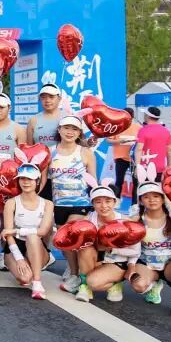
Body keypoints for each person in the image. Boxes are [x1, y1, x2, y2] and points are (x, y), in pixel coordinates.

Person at [129, 177, 171, 318]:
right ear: (141, 200)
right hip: (147, 263)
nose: (152, 200)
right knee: (139, 285)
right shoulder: (137, 218)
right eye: (146, 197)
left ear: (163, 199)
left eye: (156, 196)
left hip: (169, 266)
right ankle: (154, 284)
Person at [49, 115, 96, 294]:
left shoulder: (85, 152)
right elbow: (45, 180)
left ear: (79, 133)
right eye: (66, 128)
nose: (70, 132)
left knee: (70, 234)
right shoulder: (51, 151)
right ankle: (74, 270)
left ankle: (77, 276)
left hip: (80, 202)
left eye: (74, 129)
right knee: (63, 242)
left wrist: (95, 203)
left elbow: (93, 179)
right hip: (59, 203)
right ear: (59, 130)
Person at [74, 182, 141, 304]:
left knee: (93, 282)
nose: (103, 206)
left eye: (108, 201)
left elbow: (136, 252)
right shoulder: (88, 219)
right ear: (93, 204)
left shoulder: (126, 221)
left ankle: (115, 284)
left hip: (116, 262)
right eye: (98, 202)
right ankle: (84, 286)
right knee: (84, 249)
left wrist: (111, 249)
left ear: (115, 202)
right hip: (97, 260)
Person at [0, 164, 55, 299]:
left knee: (33, 237)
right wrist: (19, 258)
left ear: (37, 181)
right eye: (22, 178)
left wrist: (15, 230)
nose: (25, 182)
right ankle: (26, 266)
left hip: (36, 245)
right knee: (25, 278)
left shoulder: (48, 204)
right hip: (16, 246)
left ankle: (37, 283)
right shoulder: (11, 203)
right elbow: (8, 235)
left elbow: (42, 231)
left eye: (30, 179)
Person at [27, 83, 64, 200]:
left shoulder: (67, 117)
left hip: (63, 172)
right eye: (43, 97)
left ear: (59, 98)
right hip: (40, 172)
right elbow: (29, 148)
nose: (47, 100)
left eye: (51, 97)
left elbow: (79, 143)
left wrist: (89, 143)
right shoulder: (34, 120)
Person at [105, 107, 140, 200]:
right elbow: (108, 140)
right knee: (119, 181)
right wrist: (120, 141)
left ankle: (135, 203)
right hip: (120, 157)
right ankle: (116, 200)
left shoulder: (138, 127)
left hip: (134, 159)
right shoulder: (116, 126)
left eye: (129, 117)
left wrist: (135, 141)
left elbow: (142, 141)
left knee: (136, 181)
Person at [135, 106, 171, 172]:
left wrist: (137, 167)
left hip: (145, 168)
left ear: (147, 116)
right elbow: (169, 150)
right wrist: (170, 165)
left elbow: (139, 149)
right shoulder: (166, 131)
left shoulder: (143, 130)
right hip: (161, 168)